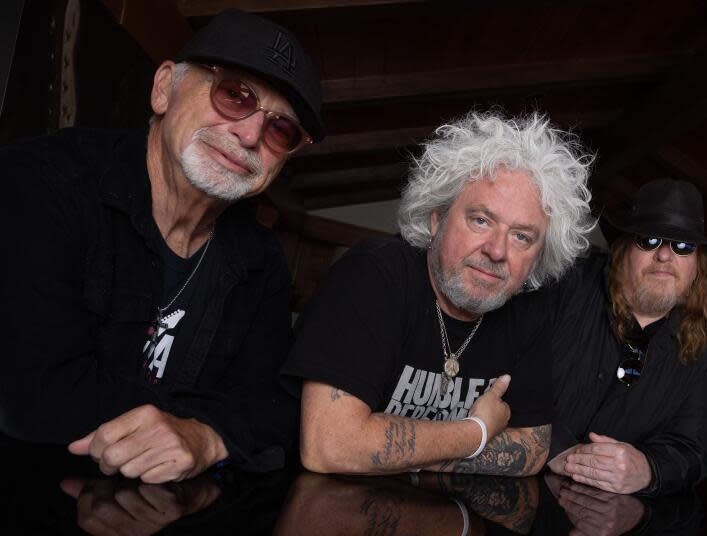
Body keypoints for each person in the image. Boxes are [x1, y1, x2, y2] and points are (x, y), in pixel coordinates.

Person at [0, 9, 323, 482]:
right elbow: (33, 394)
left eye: (281, 130)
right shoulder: (40, 184)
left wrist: (204, 438)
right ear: (163, 87)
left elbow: (273, 410)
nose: (250, 135)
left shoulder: (261, 261)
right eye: (234, 94)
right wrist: (207, 421)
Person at [280, 111, 594, 476]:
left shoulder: (527, 309)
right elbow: (330, 446)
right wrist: (474, 433)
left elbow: (533, 449)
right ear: (437, 219)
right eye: (481, 220)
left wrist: (389, 447)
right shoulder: (374, 274)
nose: (497, 251)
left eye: (522, 236)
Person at [546, 179, 707, 495]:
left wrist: (647, 469)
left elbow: (694, 448)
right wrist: (555, 449)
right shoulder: (568, 286)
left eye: (683, 247)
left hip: (613, 518)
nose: (664, 256)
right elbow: (509, 373)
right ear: (624, 249)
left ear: (696, 265)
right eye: (649, 240)